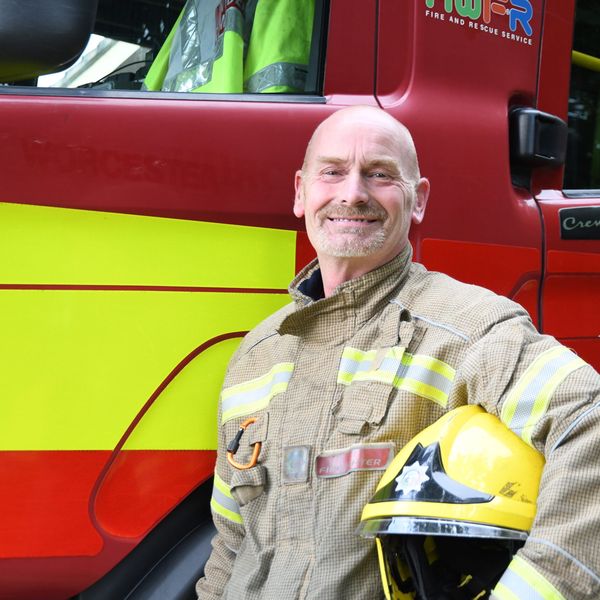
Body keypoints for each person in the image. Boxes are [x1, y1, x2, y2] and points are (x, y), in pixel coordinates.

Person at [196, 105, 600, 600]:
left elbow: (590, 420)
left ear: (419, 199)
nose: (352, 193)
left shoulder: (468, 328)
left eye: (379, 174)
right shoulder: (256, 355)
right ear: (301, 192)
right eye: (333, 172)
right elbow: (231, 543)